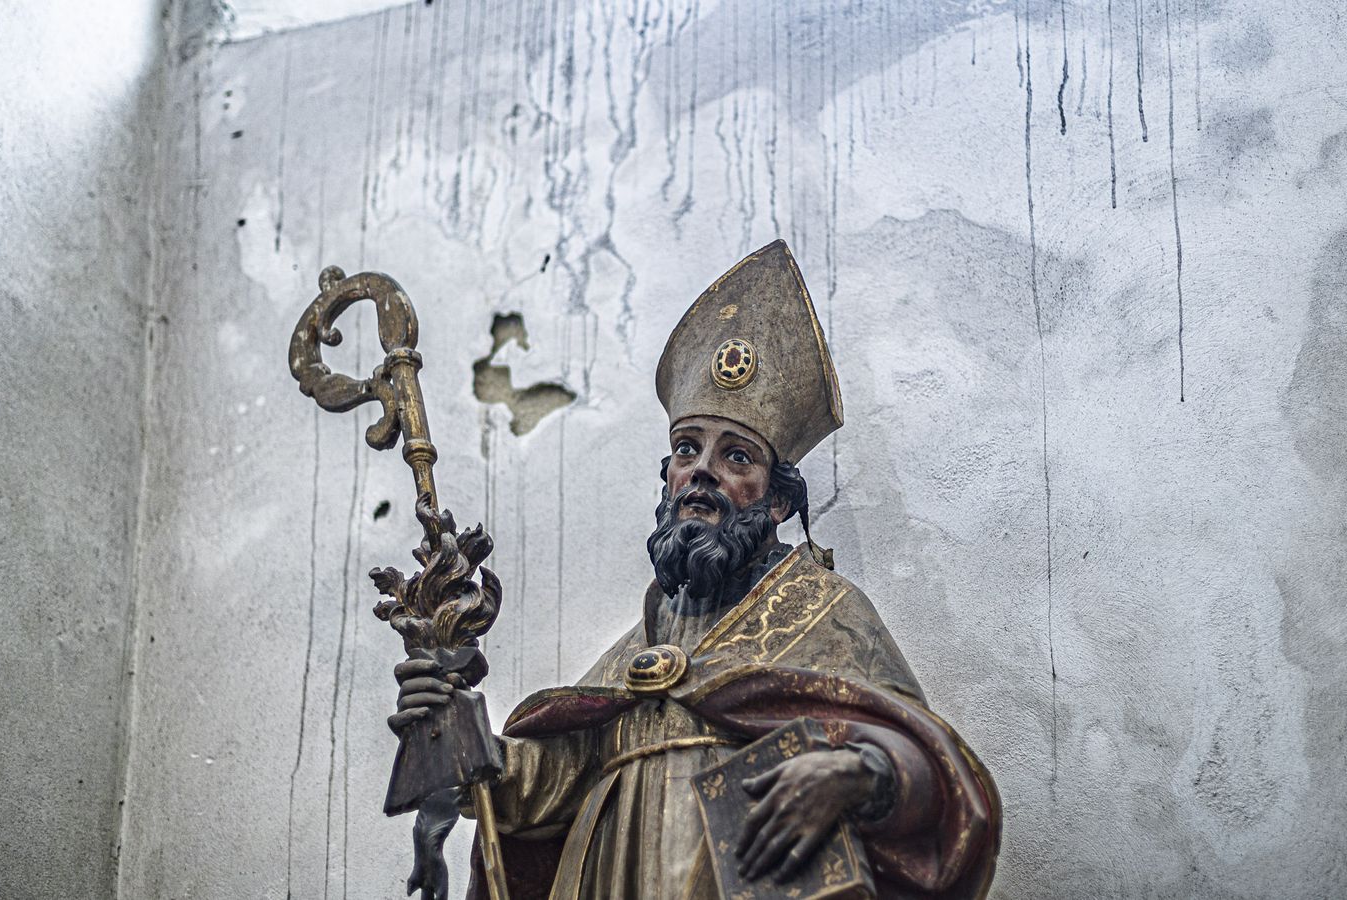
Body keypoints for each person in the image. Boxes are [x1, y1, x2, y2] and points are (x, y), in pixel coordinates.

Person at [391, 240, 1001, 899]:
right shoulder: (643, 645)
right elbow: (552, 781)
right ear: (669, 478)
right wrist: (459, 735)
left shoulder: (826, 614)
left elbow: (928, 766)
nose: (703, 469)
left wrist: (855, 772)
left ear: (775, 501)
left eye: (737, 456)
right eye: (688, 448)